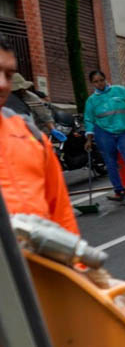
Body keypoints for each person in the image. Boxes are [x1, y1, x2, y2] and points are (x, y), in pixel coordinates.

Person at [0, 39, 78, 233]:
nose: (2, 84)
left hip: (37, 261)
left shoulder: (31, 137)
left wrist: (74, 263)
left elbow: (61, 215)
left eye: (8, 75)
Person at [84, 69, 125, 205]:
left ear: (105, 79)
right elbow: (88, 119)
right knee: (110, 162)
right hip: (104, 133)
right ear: (92, 84)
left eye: (101, 80)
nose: (99, 84)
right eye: (95, 82)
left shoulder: (120, 91)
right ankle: (119, 191)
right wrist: (89, 138)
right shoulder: (91, 101)